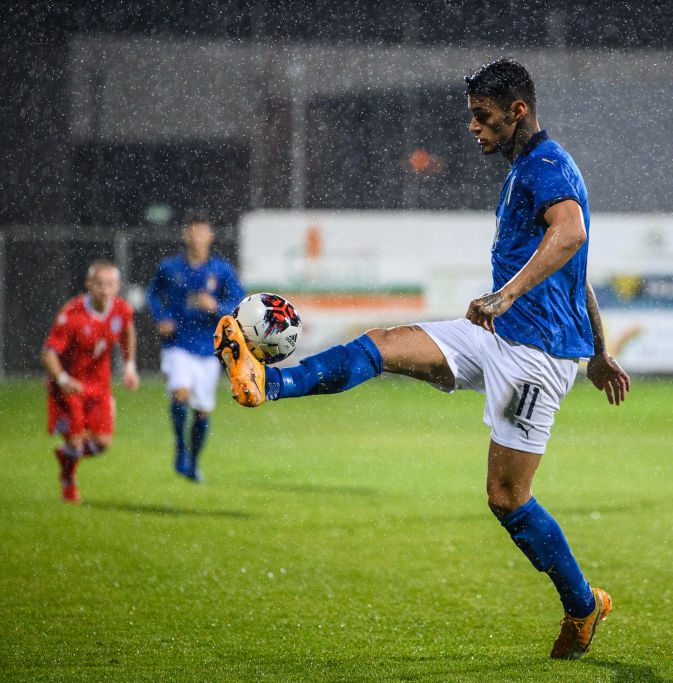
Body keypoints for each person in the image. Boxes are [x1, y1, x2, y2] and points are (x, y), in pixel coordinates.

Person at [214, 59, 630, 660]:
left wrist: (506, 298)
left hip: (536, 356)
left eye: (482, 117)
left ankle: (583, 606)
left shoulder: (548, 165)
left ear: (517, 111)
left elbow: (570, 238)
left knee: (507, 498)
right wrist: (599, 350)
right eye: (471, 117)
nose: (473, 128)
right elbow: (576, 269)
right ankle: (267, 383)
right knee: (381, 345)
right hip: (499, 333)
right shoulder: (526, 168)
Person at [147, 213, 244, 482]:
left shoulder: (222, 271)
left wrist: (217, 307)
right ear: (184, 235)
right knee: (180, 394)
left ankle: (193, 462)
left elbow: (237, 304)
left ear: (211, 236)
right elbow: (153, 294)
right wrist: (162, 317)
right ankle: (180, 447)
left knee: (202, 411)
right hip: (178, 344)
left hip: (208, 346)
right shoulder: (170, 268)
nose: (196, 237)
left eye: (202, 232)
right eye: (192, 232)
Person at [42, 259, 140, 503]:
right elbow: (48, 353)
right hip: (69, 386)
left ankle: (66, 456)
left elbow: (127, 332)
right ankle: (69, 483)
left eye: (110, 284)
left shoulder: (121, 309)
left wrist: (129, 367)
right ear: (88, 284)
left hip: (99, 386)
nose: (104, 289)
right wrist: (62, 378)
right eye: (99, 284)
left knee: (102, 444)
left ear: (117, 286)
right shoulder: (71, 314)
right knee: (76, 443)